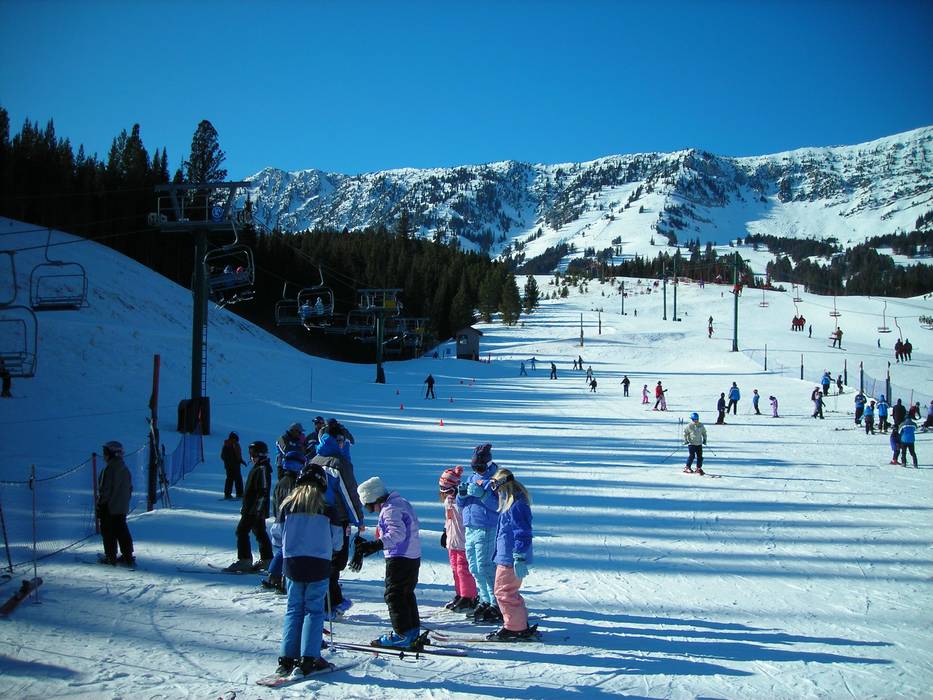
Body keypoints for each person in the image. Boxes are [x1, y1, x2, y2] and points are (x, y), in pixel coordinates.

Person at [271, 464, 339, 679]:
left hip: (293, 563)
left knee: (294, 609)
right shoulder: (327, 508)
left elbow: (276, 535)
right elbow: (337, 541)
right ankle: (309, 658)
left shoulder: (287, 506)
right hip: (318, 564)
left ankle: (286, 658)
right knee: (314, 610)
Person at [350, 476, 424, 649]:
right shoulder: (401, 503)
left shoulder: (390, 509)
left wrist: (375, 545)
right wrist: (373, 545)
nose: (371, 510)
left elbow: (397, 534)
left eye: (369, 507)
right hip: (412, 556)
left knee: (394, 595)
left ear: (375, 499)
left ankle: (402, 634)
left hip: (400, 557)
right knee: (406, 593)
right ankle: (412, 631)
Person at [308, 422, 364, 618]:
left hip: (315, 518)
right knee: (335, 560)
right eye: (339, 440)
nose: (342, 443)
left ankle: (331, 599)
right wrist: (358, 519)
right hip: (337, 519)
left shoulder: (314, 460)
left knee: (323, 559)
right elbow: (349, 494)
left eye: (343, 440)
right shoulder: (338, 463)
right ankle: (329, 603)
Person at [485, 467, 537, 641]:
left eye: (495, 486)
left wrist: (519, 556)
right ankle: (518, 623)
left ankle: (515, 628)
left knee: (504, 592)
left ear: (503, 485)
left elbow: (523, 532)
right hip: (506, 556)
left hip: (511, 558)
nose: (495, 491)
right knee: (507, 591)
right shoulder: (510, 503)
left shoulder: (517, 505)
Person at [456, 443, 502, 624]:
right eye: (474, 467)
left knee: (486, 567)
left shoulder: (496, 480)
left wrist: (483, 496)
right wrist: (461, 496)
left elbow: (500, 506)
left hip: (486, 528)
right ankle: (484, 599)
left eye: (480, 467)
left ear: (488, 464)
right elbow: (461, 505)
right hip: (470, 527)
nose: (477, 470)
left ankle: (496, 603)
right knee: (474, 567)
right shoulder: (471, 478)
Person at [224, 440, 274, 572]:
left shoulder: (262, 469)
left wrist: (257, 509)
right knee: (259, 532)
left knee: (241, 531)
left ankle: (245, 560)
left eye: (253, 453)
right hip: (253, 508)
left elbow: (263, 491)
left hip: (254, 509)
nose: (251, 457)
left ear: (260, 454)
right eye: (250, 453)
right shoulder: (259, 467)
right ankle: (267, 559)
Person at [263, 450, 304, 592]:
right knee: (288, 549)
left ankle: (275, 575)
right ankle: (277, 576)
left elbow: (275, 503)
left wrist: (277, 516)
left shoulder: (281, 482)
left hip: (281, 519)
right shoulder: (294, 483)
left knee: (285, 548)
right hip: (290, 520)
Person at [438, 466, 478, 613]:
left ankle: (469, 597)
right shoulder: (448, 500)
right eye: (444, 491)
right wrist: (445, 532)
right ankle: (460, 594)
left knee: (463, 570)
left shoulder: (463, 502)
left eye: (449, 491)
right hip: (452, 540)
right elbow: (448, 519)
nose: (447, 494)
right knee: (455, 569)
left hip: (463, 541)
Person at [97, 441, 134, 566]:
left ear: (113, 454)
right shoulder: (124, 468)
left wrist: (101, 504)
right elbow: (129, 488)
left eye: (106, 453)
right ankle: (128, 556)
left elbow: (105, 490)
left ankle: (110, 556)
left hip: (109, 507)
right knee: (122, 530)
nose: (104, 456)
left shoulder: (109, 469)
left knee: (108, 532)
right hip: (121, 507)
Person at [221, 432, 246, 500]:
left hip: (229, 465)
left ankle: (228, 494)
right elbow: (237, 455)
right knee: (237, 479)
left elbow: (222, 456)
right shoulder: (234, 445)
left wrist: (240, 461)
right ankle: (239, 493)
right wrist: (239, 461)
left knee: (230, 479)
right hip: (234, 465)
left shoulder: (227, 445)